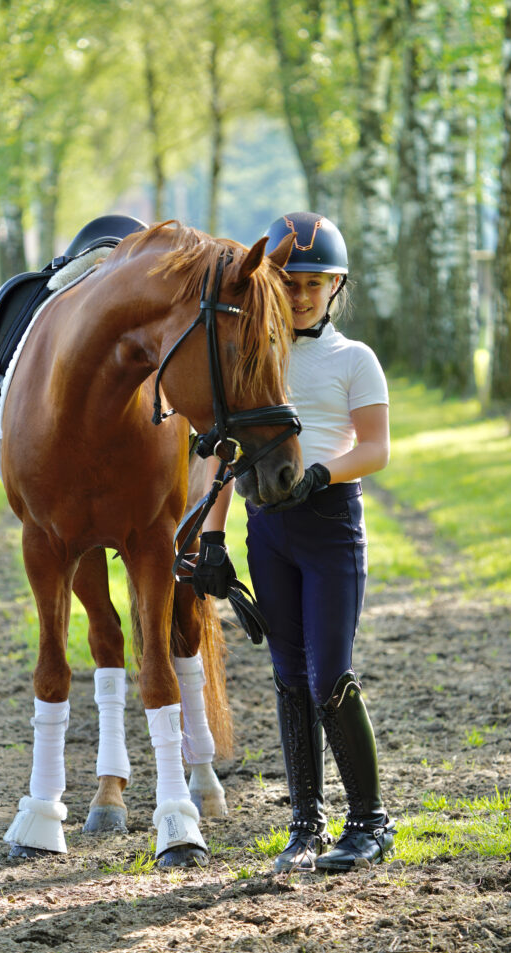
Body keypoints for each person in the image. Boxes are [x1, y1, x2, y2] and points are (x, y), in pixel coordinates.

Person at [192, 211, 395, 873]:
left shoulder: (353, 359)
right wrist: (214, 538)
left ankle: (369, 822)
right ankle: (304, 823)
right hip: (267, 529)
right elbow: (229, 454)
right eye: (290, 280)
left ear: (336, 286)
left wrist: (319, 473)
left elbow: (375, 448)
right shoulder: (255, 355)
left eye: (315, 282)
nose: (302, 293)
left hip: (329, 525)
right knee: (286, 679)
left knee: (327, 674)